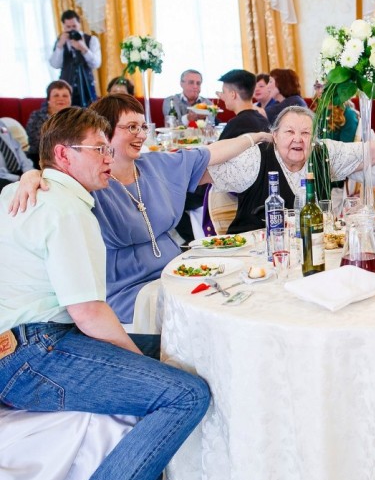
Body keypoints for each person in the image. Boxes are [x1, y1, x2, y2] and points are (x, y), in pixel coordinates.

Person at [0, 107, 210, 480]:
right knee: (186, 394)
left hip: (22, 347)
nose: (108, 158)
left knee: (176, 349)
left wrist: (34, 173)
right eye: (99, 149)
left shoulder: (16, 193)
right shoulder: (66, 210)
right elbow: (89, 313)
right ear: (64, 155)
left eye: (107, 149)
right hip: (34, 353)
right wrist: (138, 364)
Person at [13, 94, 274, 323]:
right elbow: (58, 176)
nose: (141, 134)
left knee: (241, 287)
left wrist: (255, 137)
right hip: (129, 293)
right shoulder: (92, 182)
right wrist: (32, 175)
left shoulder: (155, 165)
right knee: (215, 309)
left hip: (176, 273)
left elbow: (211, 152)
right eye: (131, 127)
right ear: (105, 133)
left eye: (142, 126)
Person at [208, 105, 375, 233]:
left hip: (313, 252)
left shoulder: (323, 153)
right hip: (256, 257)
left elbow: (368, 152)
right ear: (275, 135)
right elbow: (204, 164)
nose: (298, 139)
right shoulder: (254, 158)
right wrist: (254, 137)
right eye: (289, 132)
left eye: (306, 133)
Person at [48, 10, 100, 107]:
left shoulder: (91, 40)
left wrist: (84, 49)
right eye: (68, 27)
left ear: (79, 24)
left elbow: (96, 64)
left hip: (86, 85)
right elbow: (55, 65)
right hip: (66, 87)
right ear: (63, 26)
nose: (72, 29)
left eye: (74, 26)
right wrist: (60, 46)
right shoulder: (60, 41)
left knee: (90, 111)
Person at [25, 79, 73, 166]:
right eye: (56, 95)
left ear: (70, 99)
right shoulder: (36, 116)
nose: (61, 99)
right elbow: (37, 143)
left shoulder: (78, 116)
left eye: (65, 96)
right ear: (48, 100)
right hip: (41, 158)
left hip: (72, 157)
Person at [217, 69, 270, 140]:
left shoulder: (236, 124)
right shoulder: (263, 120)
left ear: (233, 94)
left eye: (224, 92)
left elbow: (217, 146)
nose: (223, 96)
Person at [0, 118, 33, 191]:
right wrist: (18, 178)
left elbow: (16, 147)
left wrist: (28, 171)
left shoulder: (1, 124)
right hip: (4, 177)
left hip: (20, 170)